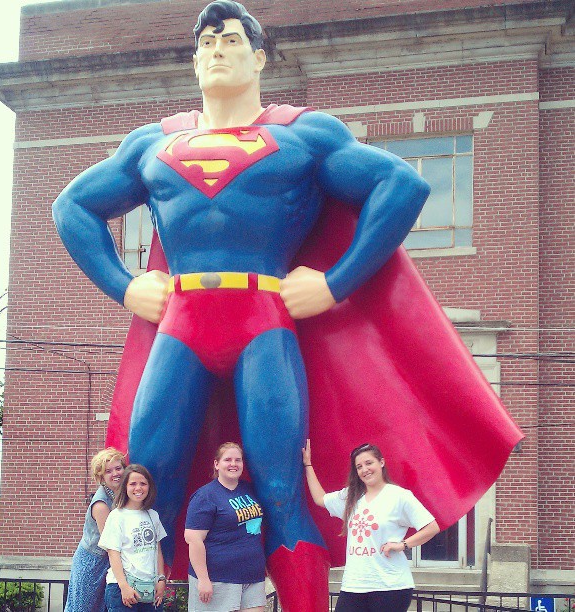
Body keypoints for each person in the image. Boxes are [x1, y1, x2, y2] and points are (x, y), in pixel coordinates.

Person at [53, 0, 523, 608]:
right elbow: (72, 207)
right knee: (147, 482)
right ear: (193, 62)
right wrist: (122, 285)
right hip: (182, 326)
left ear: (259, 57)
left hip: (262, 327)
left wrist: (336, 283)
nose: (216, 50)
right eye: (205, 43)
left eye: (229, 39)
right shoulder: (153, 142)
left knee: (280, 488)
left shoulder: (302, 134)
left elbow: (400, 185)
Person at [303, 439, 440, 612]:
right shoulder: (351, 496)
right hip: (353, 585)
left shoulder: (399, 496)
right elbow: (320, 499)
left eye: (369, 463)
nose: (365, 470)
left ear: (381, 462)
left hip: (390, 587)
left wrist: (402, 545)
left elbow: (431, 527)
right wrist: (308, 464)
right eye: (359, 467)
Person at [184, 442, 265, 612]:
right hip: (218, 579)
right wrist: (203, 579)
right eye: (228, 460)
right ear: (216, 464)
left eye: (238, 460)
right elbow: (194, 540)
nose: (233, 464)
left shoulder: (250, 489)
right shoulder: (205, 496)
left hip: (253, 576)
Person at [99, 464, 168, 611]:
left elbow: (157, 550)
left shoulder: (153, 515)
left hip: (149, 588)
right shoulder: (117, 516)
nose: (138, 488)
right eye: (133, 484)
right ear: (125, 487)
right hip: (122, 588)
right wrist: (124, 586)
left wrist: (161, 578)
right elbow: (113, 553)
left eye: (143, 483)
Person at [65, 447, 126, 612]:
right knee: (84, 608)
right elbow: (110, 542)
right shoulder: (101, 504)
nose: (115, 473)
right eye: (108, 471)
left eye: (118, 468)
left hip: (109, 561)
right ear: (101, 477)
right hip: (92, 563)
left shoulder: (122, 495)